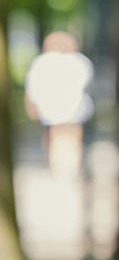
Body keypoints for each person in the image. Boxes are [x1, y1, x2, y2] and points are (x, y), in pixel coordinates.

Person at [24, 31, 95, 177]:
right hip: (74, 106)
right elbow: (87, 83)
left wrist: (32, 104)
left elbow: (33, 86)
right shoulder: (79, 61)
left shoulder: (42, 61)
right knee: (73, 133)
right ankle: (73, 164)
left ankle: (54, 164)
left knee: (54, 132)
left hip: (51, 106)